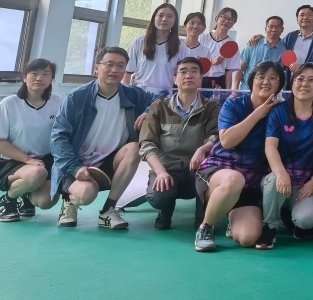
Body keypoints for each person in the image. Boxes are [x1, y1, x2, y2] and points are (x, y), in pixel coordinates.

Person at [51, 47, 156, 230]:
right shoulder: (77, 97)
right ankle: (69, 201)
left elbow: (160, 100)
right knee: (86, 194)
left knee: (133, 148)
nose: (115, 70)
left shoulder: (133, 94)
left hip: (110, 161)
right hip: (77, 161)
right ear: (96, 68)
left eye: (120, 65)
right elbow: (58, 137)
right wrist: (74, 167)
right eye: (109, 64)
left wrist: (149, 111)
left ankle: (108, 210)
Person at [194, 62, 282, 252]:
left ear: (280, 85)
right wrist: (258, 113)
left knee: (248, 238)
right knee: (234, 179)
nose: (266, 81)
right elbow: (226, 141)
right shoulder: (233, 104)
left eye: (273, 78)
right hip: (218, 171)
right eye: (261, 77)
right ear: (251, 80)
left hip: (250, 180)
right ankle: (206, 228)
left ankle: (230, 215)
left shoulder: (279, 112)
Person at [139, 57, 220, 230]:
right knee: (159, 197)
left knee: (212, 179)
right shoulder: (159, 106)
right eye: (183, 71)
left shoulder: (211, 107)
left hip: (199, 168)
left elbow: (215, 136)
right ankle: (165, 211)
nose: (188, 75)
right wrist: (160, 172)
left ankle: (203, 221)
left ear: (201, 78)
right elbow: (146, 144)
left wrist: (203, 148)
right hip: (168, 167)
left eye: (194, 71)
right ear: (175, 79)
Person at [260, 64, 313, 249]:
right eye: (300, 79)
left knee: (306, 220)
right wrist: (281, 173)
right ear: (292, 84)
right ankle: (270, 226)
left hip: (307, 184)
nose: (305, 84)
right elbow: (270, 146)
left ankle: (289, 215)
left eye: (311, 80)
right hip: (278, 179)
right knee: (273, 183)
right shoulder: (278, 111)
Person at [0, 59, 63, 222]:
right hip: (13, 161)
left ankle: (26, 195)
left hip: (45, 160)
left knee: (46, 201)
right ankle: (8, 200)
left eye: (45, 74)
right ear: (24, 77)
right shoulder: (9, 103)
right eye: (34, 73)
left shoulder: (58, 102)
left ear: (51, 79)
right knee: (37, 173)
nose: (39, 78)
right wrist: (27, 159)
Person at [125, 3, 183, 94]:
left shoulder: (180, 46)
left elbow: (182, 75)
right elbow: (127, 71)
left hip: (165, 96)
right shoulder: (139, 42)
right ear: (154, 18)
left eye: (169, 16)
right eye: (160, 15)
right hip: (139, 94)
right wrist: (125, 94)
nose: (164, 19)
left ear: (175, 21)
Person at [238, 16, 286, 91]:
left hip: (268, 91)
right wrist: (235, 90)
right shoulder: (253, 44)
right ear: (265, 28)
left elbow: (279, 74)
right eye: (271, 26)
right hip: (246, 90)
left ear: (282, 29)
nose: (274, 30)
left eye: (277, 27)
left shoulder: (284, 50)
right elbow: (240, 67)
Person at [204, 7, 241, 90]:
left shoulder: (232, 44)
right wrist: (211, 61)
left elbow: (229, 71)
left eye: (231, 19)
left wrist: (228, 91)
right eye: (224, 17)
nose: (226, 21)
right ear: (217, 18)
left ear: (233, 23)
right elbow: (194, 61)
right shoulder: (203, 38)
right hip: (200, 79)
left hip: (219, 82)